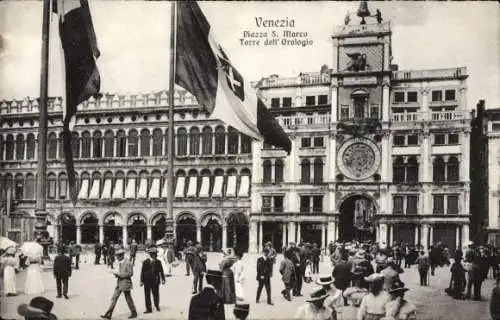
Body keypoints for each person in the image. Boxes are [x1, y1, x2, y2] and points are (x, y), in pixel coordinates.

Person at [100, 249, 137, 319]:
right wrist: (116, 274)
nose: (117, 258)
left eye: (118, 256)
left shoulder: (128, 263)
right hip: (119, 282)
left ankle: (134, 312)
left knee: (128, 298)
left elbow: (130, 273)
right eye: (116, 256)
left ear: (121, 256)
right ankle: (108, 314)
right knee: (114, 298)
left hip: (126, 283)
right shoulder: (120, 262)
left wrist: (119, 274)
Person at [140, 247, 165, 314]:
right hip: (147, 281)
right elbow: (142, 272)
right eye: (153, 254)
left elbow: (161, 271)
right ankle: (148, 309)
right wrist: (141, 281)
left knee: (156, 294)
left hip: (155, 281)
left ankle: (157, 305)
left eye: (155, 254)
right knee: (147, 295)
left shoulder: (158, 262)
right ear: (150, 254)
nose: (155, 255)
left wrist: (163, 279)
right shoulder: (145, 262)